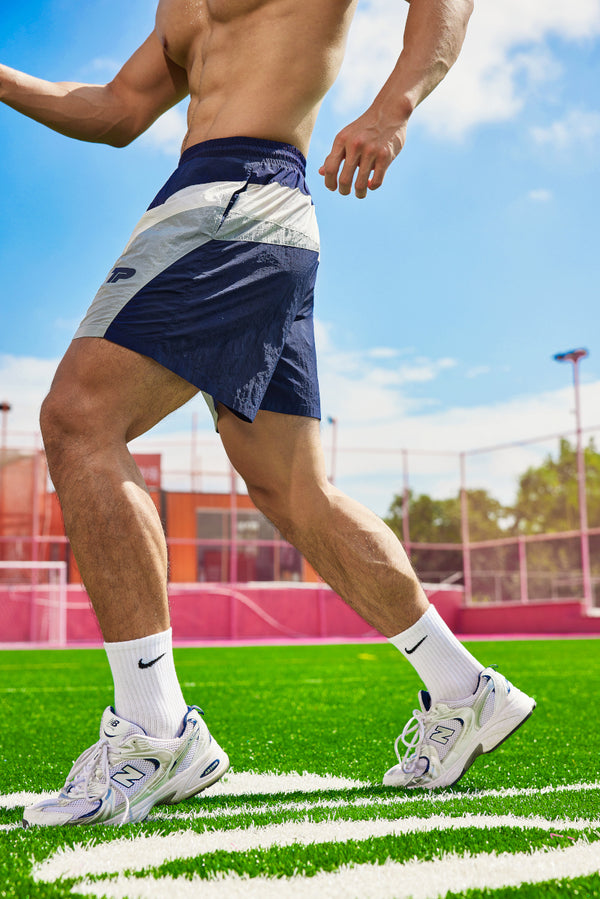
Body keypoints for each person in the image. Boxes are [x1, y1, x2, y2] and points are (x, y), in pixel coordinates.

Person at [1, 0, 535, 828]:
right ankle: (465, 687)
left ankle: (155, 727)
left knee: (78, 418)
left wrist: (391, 109)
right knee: (296, 494)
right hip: (208, 200)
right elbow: (115, 110)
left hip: (239, 200)